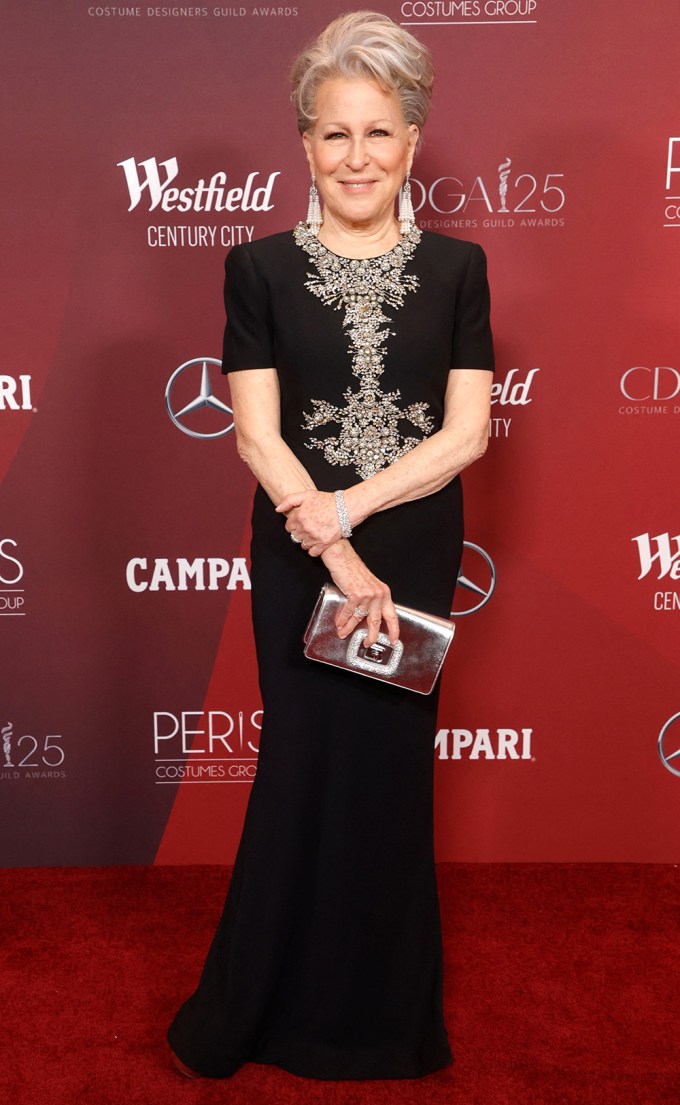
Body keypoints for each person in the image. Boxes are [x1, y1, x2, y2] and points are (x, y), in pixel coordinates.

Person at [167, 9, 494, 1081]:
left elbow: (464, 433)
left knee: (388, 773)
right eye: (333, 133)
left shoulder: (457, 268)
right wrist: (334, 551)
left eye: (378, 132)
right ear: (303, 144)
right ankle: (262, 1009)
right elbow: (256, 434)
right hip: (299, 555)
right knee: (304, 762)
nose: (356, 156)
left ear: (412, 139)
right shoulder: (255, 266)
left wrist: (353, 520)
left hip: (408, 543)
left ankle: (380, 1024)